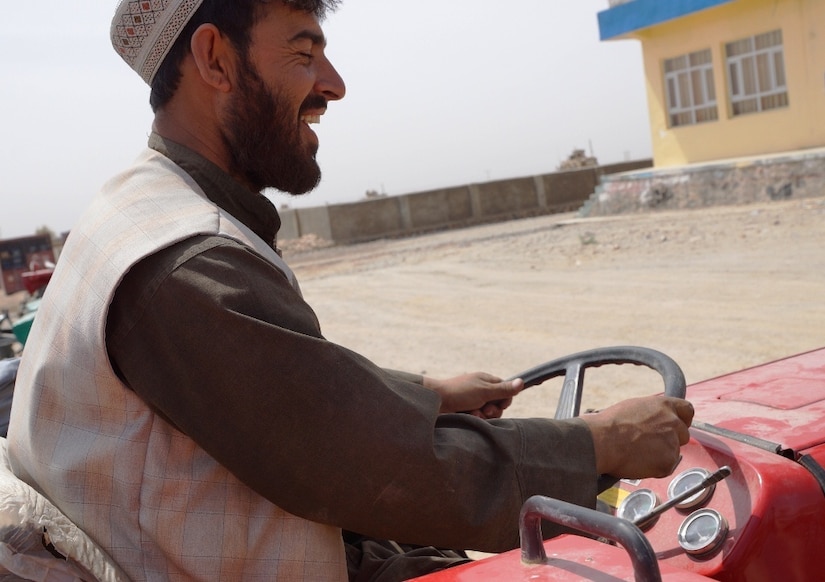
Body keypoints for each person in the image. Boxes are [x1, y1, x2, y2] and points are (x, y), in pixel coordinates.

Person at [7, 1, 694, 580]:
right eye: (304, 54)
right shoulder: (188, 260)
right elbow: (370, 470)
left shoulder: (138, 204)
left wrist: (423, 392)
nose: (332, 85)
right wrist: (598, 444)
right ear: (214, 60)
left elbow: (282, 385)